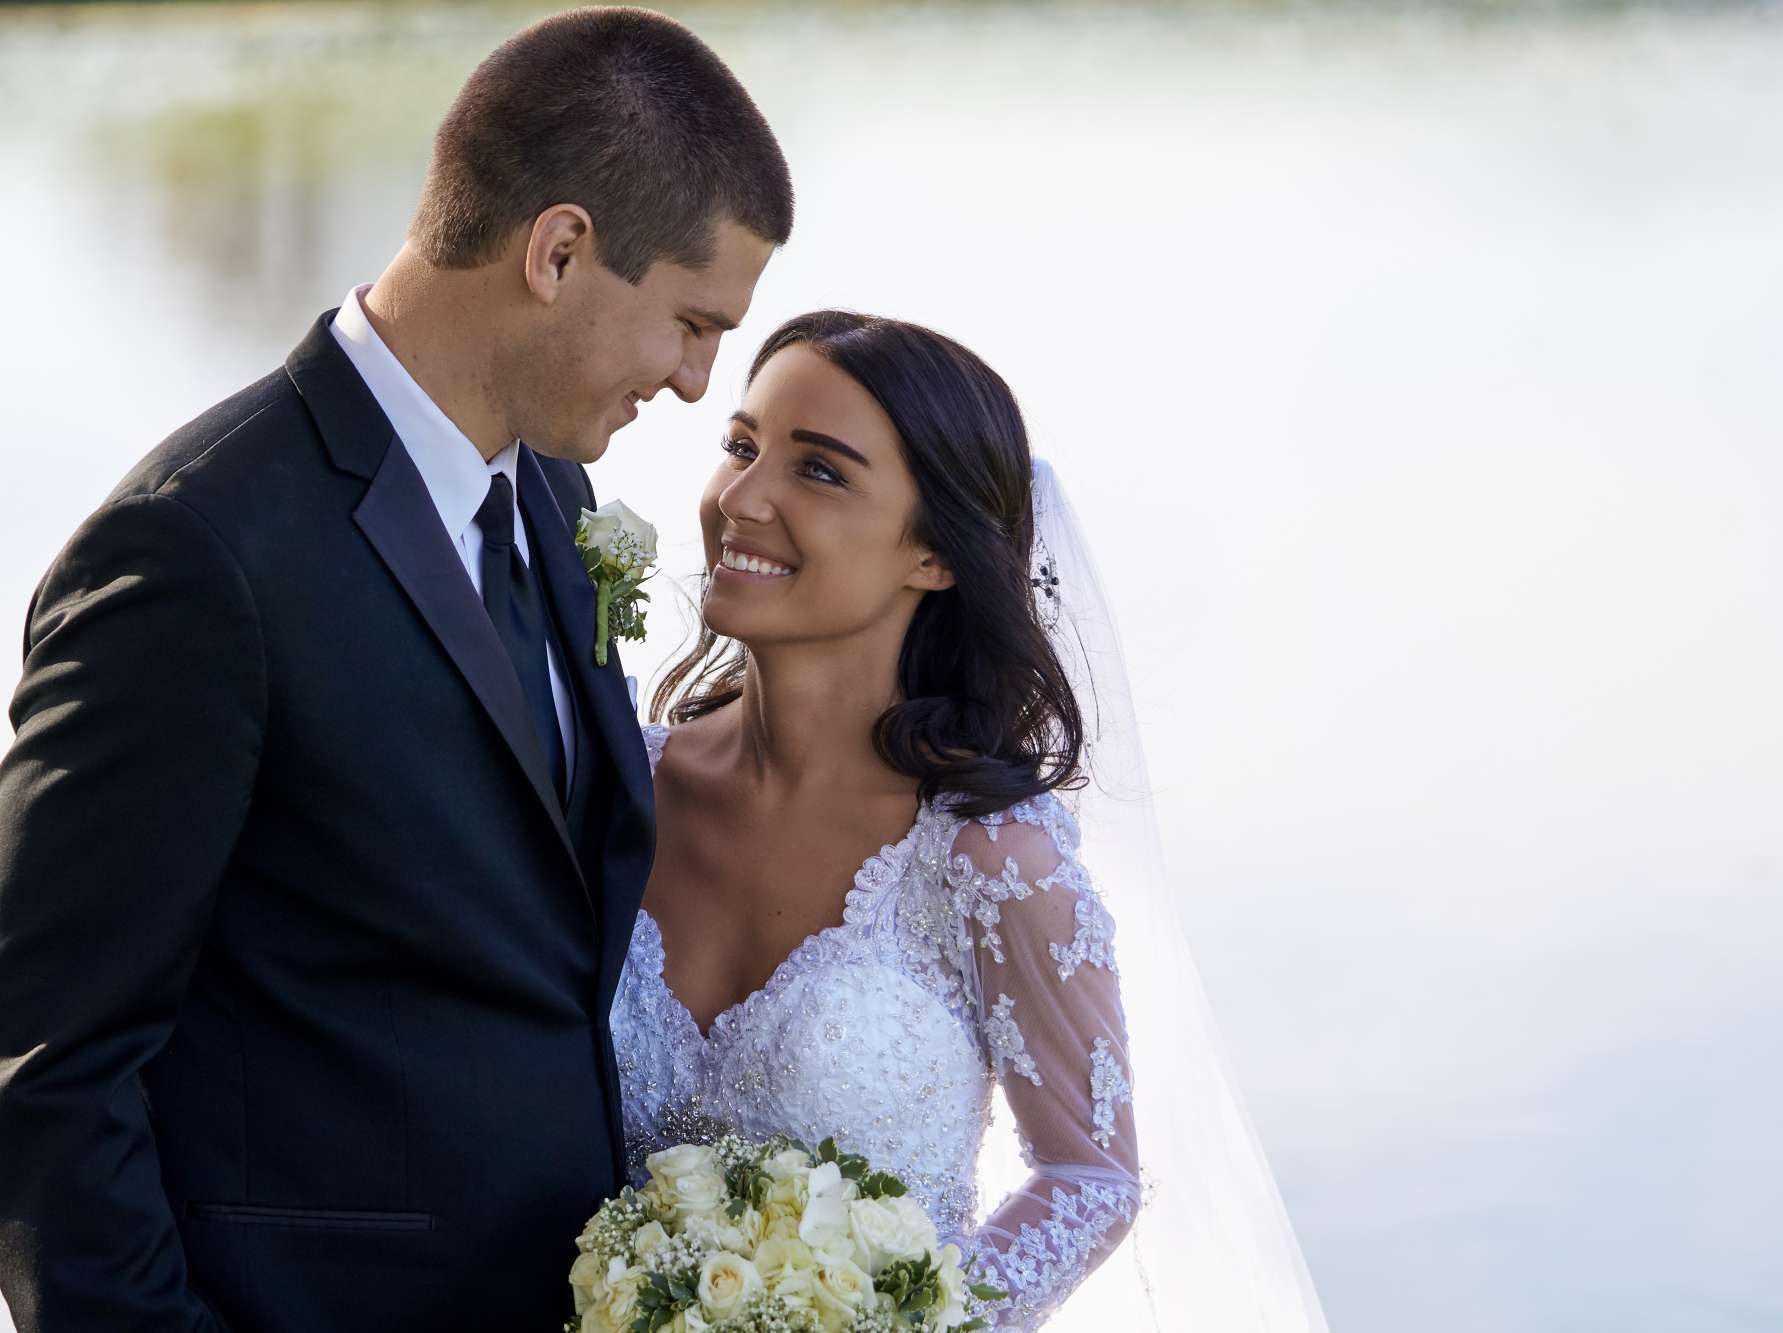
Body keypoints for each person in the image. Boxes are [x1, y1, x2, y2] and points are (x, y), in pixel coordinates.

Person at [0, 10, 789, 1331]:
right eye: (692, 323)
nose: (701, 384)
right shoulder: (197, 554)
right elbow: (47, 1063)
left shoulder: (554, 496)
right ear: (560, 250)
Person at [615, 311, 1329, 1330]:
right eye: (740, 446)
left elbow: (1088, 1174)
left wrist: (920, 1324)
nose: (740, 498)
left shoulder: (988, 855)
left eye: (817, 472)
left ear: (935, 557)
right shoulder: (612, 789)